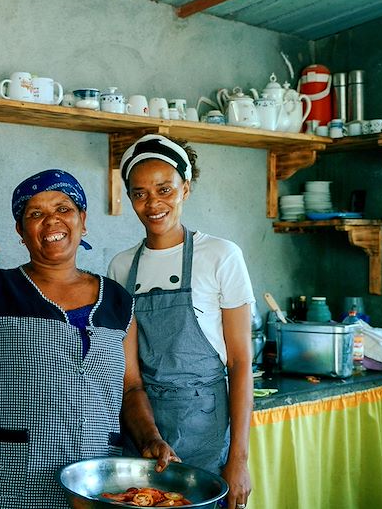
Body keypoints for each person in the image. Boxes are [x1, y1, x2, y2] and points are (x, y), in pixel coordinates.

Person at [0, 169, 177, 509]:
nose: (52, 220)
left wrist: (150, 438)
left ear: (83, 220)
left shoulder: (118, 301)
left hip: (91, 483)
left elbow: (130, 388)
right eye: (35, 214)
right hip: (0, 480)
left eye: (63, 209)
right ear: (21, 231)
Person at [107, 134, 255, 509]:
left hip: (207, 430)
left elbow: (240, 363)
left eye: (165, 189)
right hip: (144, 430)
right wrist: (149, 437)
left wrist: (238, 460)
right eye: (140, 193)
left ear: (185, 189)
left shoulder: (221, 255)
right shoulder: (121, 267)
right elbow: (130, 378)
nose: (153, 203)